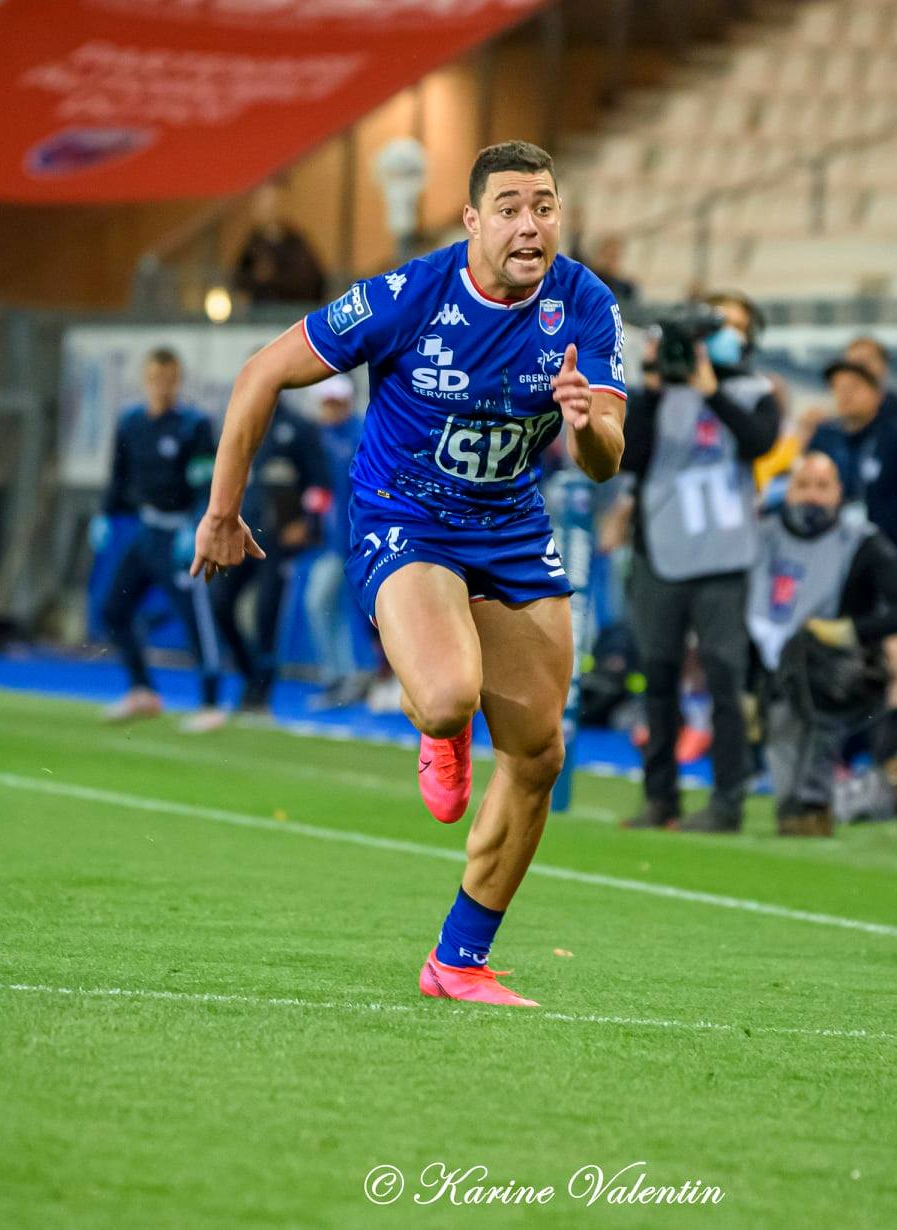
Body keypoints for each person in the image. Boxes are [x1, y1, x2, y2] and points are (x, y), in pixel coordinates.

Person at [190, 141, 628, 1008]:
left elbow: (608, 460)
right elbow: (262, 372)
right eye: (507, 207)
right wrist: (221, 509)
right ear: (472, 222)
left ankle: (458, 960)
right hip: (407, 521)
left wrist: (583, 424)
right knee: (447, 694)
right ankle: (440, 723)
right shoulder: (410, 294)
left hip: (509, 527)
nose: (528, 223)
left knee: (540, 754)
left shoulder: (586, 304)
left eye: (542, 205)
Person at [620, 292, 780, 833]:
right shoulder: (661, 394)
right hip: (661, 552)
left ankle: (727, 801)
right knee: (658, 676)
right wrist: (649, 388)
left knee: (724, 678)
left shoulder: (755, 392)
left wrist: (712, 392)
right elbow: (631, 456)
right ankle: (660, 796)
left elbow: (760, 443)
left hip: (723, 556)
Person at [748, 453, 897, 838]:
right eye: (803, 485)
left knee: (806, 817)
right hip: (779, 676)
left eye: (823, 486)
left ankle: (828, 800)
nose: (812, 497)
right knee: (787, 810)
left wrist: (850, 630)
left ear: (839, 494)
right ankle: (889, 786)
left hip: (838, 679)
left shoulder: (863, 544)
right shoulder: (761, 537)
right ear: (787, 491)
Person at [93, 348, 227, 732]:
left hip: (180, 534)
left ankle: (211, 701)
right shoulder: (132, 422)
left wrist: (198, 524)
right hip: (146, 531)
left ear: (178, 379)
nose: (161, 385)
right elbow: (118, 477)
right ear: (145, 378)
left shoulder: (193, 425)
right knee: (113, 609)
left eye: (169, 377)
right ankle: (142, 690)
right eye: (155, 377)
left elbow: (207, 482)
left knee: (195, 618)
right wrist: (105, 514)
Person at [210, 387, 330, 714]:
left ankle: (260, 693)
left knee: (267, 612)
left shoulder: (300, 428)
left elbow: (320, 484)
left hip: (278, 539)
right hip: (243, 530)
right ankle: (252, 673)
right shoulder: (239, 423)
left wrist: (309, 524)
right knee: (219, 602)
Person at [302, 374, 369, 709]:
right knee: (328, 606)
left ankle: (350, 675)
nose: (332, 406)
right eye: (327, 400)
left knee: (329, 605)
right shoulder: (317, 437)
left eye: (337, 400)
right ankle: (342, 676)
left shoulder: (360, 433)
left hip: (360, 541)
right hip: (333, 541)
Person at [808, 357, 897, 550]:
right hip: (831, 544)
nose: (844, 395)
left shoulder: (896, 436)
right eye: (838, 388)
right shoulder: (824, 437)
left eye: (853, 388)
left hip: (887, 547)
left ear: (877, 394)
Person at [233, 183, 328, 305]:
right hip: (260, 313)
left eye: (269, 202)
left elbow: (308, 280)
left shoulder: (295, 242)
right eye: (261, 202)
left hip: (290, 312)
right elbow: (239, 278)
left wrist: (270, 278)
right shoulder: (253, 244)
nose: (265, 208)